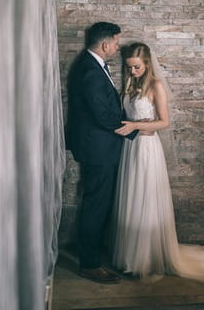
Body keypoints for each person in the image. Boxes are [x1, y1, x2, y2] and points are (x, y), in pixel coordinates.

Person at [113, 42, 204, 283]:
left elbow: (164, 122)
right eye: (129, 68)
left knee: (146, 199)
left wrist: (137, 125)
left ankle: (147, 258)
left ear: (147, 64)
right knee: (132, 199)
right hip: (129, 148)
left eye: (137, 67)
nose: (132, 72)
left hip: (147, 149)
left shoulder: (156, 86)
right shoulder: (130, 85)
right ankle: (131, 256)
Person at [65, 22, 137, 284]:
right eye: (116, 43)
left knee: (97, 202)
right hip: (98, 149)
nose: (117, 48)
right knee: (97, 205)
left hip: (96, 146)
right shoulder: (91, 71)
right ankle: (90, 264)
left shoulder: (90, 65)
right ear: (105, 44)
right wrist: (136, 130)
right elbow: (102, 115)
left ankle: (91, 254)